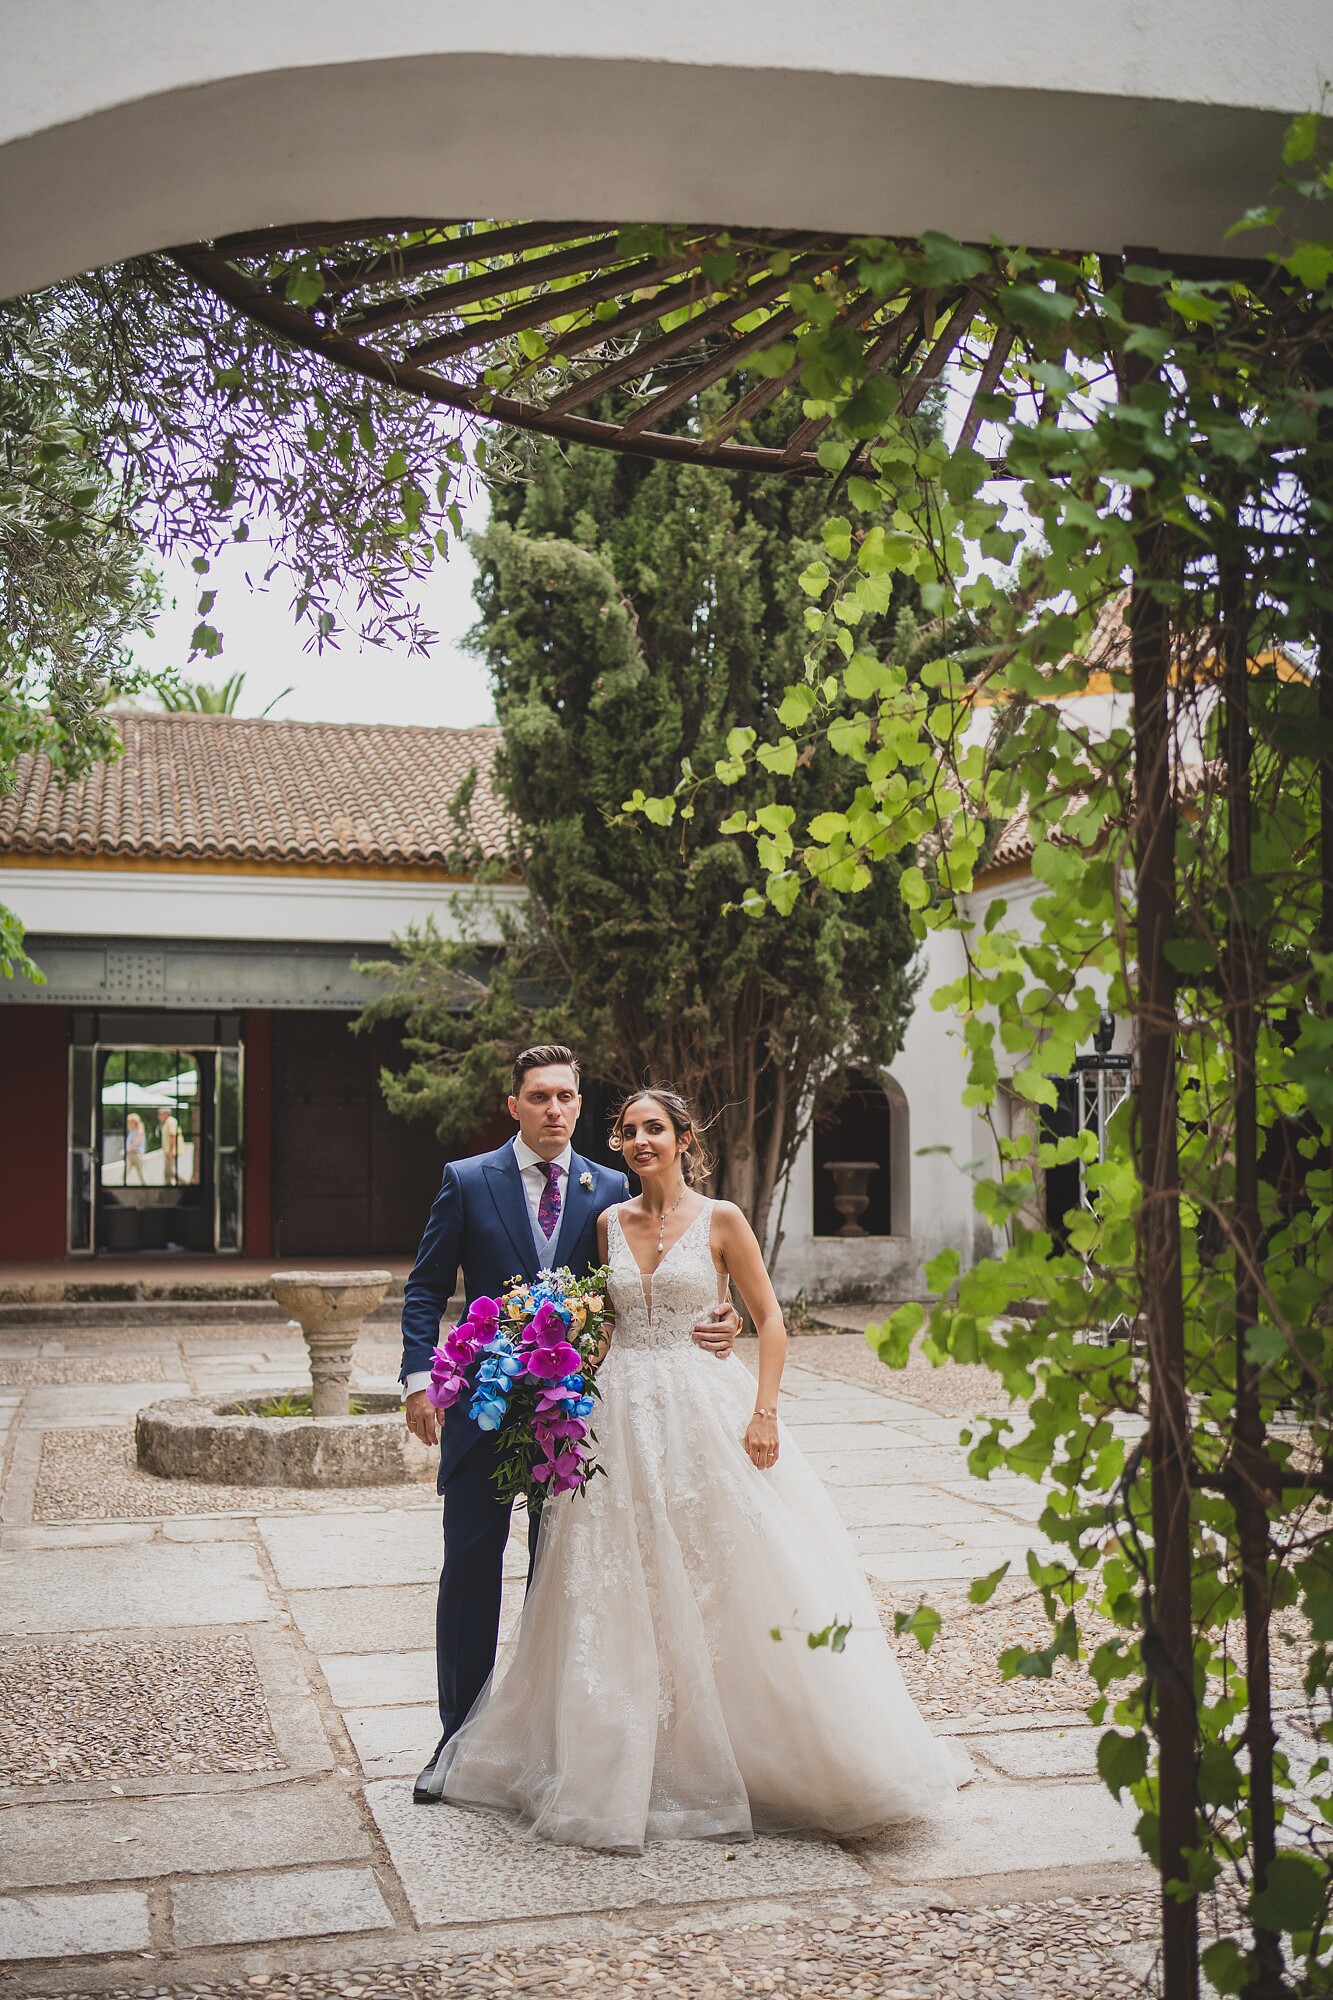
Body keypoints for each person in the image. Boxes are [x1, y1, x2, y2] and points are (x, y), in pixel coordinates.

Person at [423, 1085, 971, 1849]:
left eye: (655, 1128)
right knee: (619, 1580)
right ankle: (626, 1753)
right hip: (616, 1416)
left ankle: (754, 1748)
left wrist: (764, 1409)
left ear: (684, 1139)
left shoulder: (722, 1219)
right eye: (628, 1131)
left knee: (729, 1570)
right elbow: (603, 1319)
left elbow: (768, 1319)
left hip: (704, 1406)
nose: (640, 1140)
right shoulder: (607, 1222)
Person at [400, 1047, 743, 1805]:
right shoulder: (467, 1180)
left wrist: (724, 1319)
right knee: (469, 1569)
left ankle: (546, 1739)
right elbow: (425, 1289)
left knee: (564, 1578)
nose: (554, 1109)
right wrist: (420, 1380)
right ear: (514, 1105)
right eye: (539, 1097)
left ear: (580, 1106)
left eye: (565, 1097)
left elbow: (661, 1275)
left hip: (580, 1415)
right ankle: (455, 1742)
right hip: (485, 1409)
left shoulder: (612, 1189)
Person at [157, 1106, 181, 1184]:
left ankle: (184, 1184)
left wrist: (171, 1150)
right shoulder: (167, 1122)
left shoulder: (171, 1122)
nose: (159, 1116)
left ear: (166, 1114)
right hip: (168, 1151)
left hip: (171, 1151)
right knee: (169, 1172)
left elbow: (173, 1136)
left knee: (170, 1172)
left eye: (160, 1114)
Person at [123, 1112, 146, 1185]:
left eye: (129, 1122)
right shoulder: (132, 1131)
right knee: (124, 1175)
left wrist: (126, 1150)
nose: (128, 1124)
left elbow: (137, 1142)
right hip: (130, 1155)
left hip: (136, 1154)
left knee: (141, 1174)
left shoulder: (139, 1130)